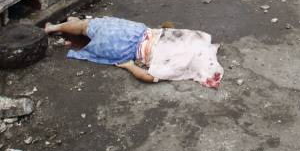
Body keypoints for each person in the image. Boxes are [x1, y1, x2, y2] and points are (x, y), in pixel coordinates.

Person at [44, 16, 223, 87]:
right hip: (125, 48)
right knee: (90, 30)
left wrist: (129, 66)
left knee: (88, 26)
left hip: (133, 34)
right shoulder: (181, 66)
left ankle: (53, 28)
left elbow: (149, 78)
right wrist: (129, 65)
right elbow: (150, 76)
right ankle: (72, 29)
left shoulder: (194, 41)